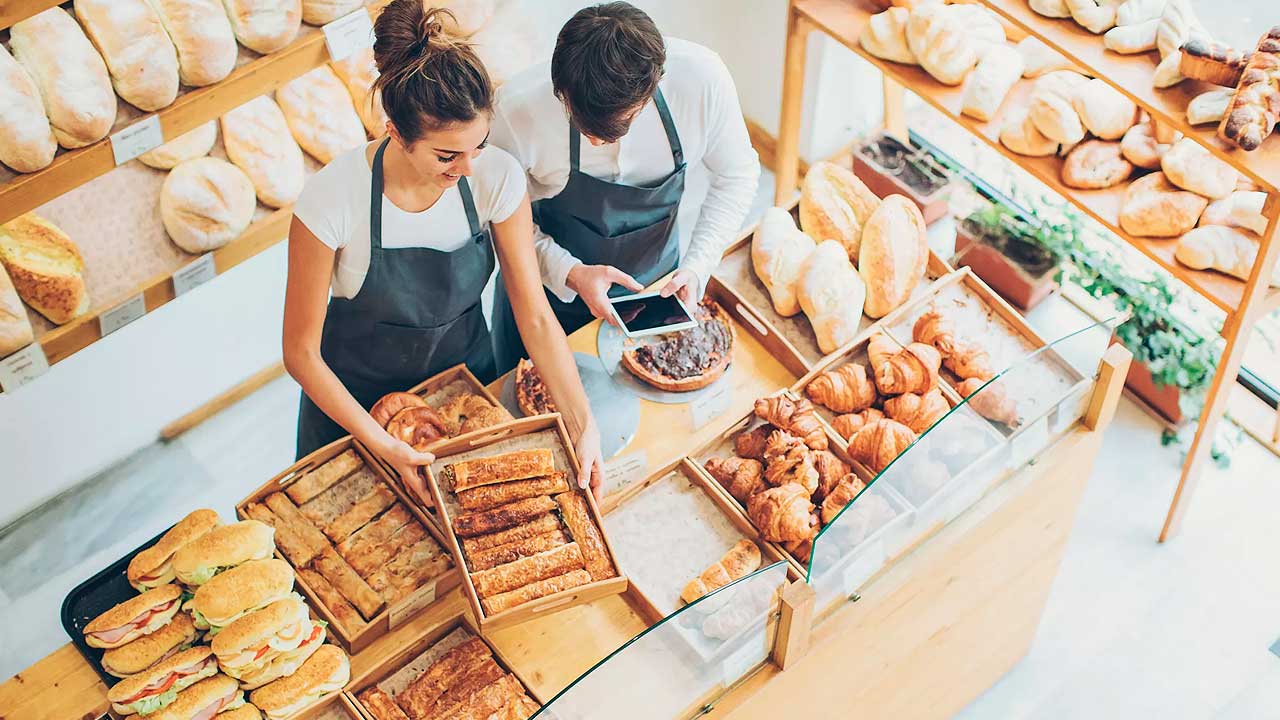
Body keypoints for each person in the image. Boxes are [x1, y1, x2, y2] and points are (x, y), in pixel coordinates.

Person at [283, 0, 602, 497]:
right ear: (395, 133)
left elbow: (536, 317)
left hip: (464, 393)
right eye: (447, 155)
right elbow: (300, 354)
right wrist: (382, 443)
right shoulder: (332, 200)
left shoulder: (496, 177)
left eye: (479, 146)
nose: (468, 168)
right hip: (355, 411)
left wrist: (582, 424)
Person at [489, 1, 761, 373]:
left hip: (657, 292)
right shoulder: (515, 112)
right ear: (560, 91)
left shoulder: (702, 81)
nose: (597, 142)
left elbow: (737, 176)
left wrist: (698, 265)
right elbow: (501, 228)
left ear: (652, 87)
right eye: (582, 124)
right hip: (546, 301)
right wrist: (571, 272)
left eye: (621, 124)